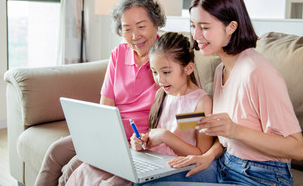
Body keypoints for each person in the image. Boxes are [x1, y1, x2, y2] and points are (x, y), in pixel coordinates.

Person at [139, 0, 303, 186]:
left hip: (261, 176)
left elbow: (298, 149)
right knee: (145, 181)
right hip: (224, 164)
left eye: (205, 27)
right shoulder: (221, 70)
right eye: (193, 25)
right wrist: (207, 156)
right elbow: (226, 138)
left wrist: (236, 131)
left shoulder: (258, 72)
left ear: (231, 27)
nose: (196, 35)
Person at [34, 0, 166, 186]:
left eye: (141, 26)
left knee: (73, 167)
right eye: (127, 29)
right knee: (56, 150)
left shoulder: (167, 58)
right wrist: (101, 135)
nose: (135, 36)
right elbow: (106, 104)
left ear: (156, 24)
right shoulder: (119, 54)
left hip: (138, 140)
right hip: (109, 135)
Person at [65, 32, 215, 185]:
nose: (159, 79)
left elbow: (201, 153)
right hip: (152, 159)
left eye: (166, 72)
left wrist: (165, 136)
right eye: (154, 72)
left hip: (175, 166)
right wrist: (141, 141)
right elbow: (155, 136)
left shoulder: (200, 103)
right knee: (86, 170)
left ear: (188, 68)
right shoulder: (162, 94)